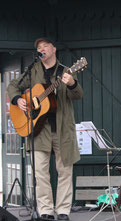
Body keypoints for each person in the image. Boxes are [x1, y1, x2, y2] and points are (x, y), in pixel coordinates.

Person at [7, 37, 83, 221]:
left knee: (64, 171)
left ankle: (63, 210)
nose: (42, 50)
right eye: (39, 48)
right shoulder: (33, 71)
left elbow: (78, 94)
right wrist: (18, 100)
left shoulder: (66, 71)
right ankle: (45, 211)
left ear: (54, 49)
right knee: (40, 173)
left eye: (45, 47)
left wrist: (72, 83)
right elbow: (12, 86)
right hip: (39, 130)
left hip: (62, 129)